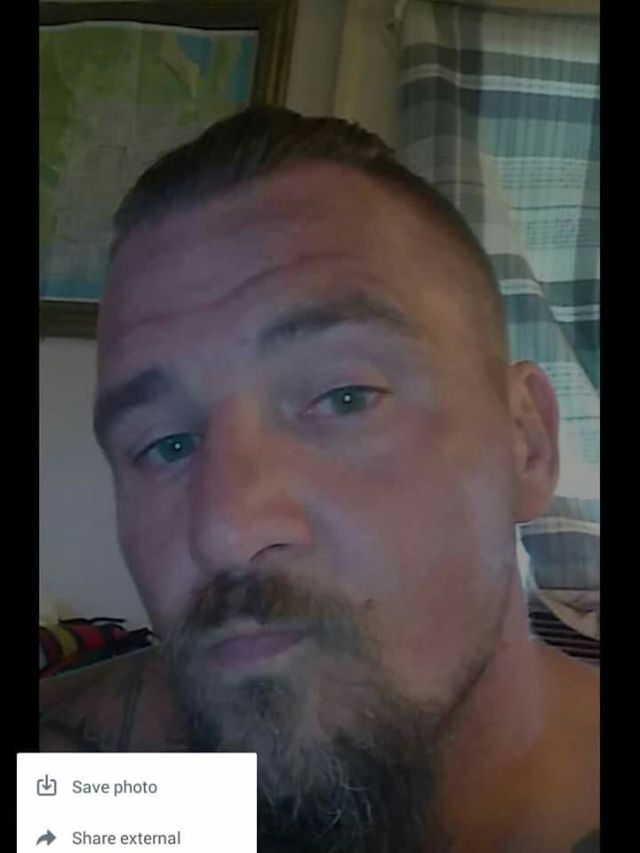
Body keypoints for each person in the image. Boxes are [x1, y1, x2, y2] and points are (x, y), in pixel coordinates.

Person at [40, 106, 599, 853]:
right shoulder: (157, 809)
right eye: (167, 444)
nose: (223, 530)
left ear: (526, 443)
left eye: (344, 398)